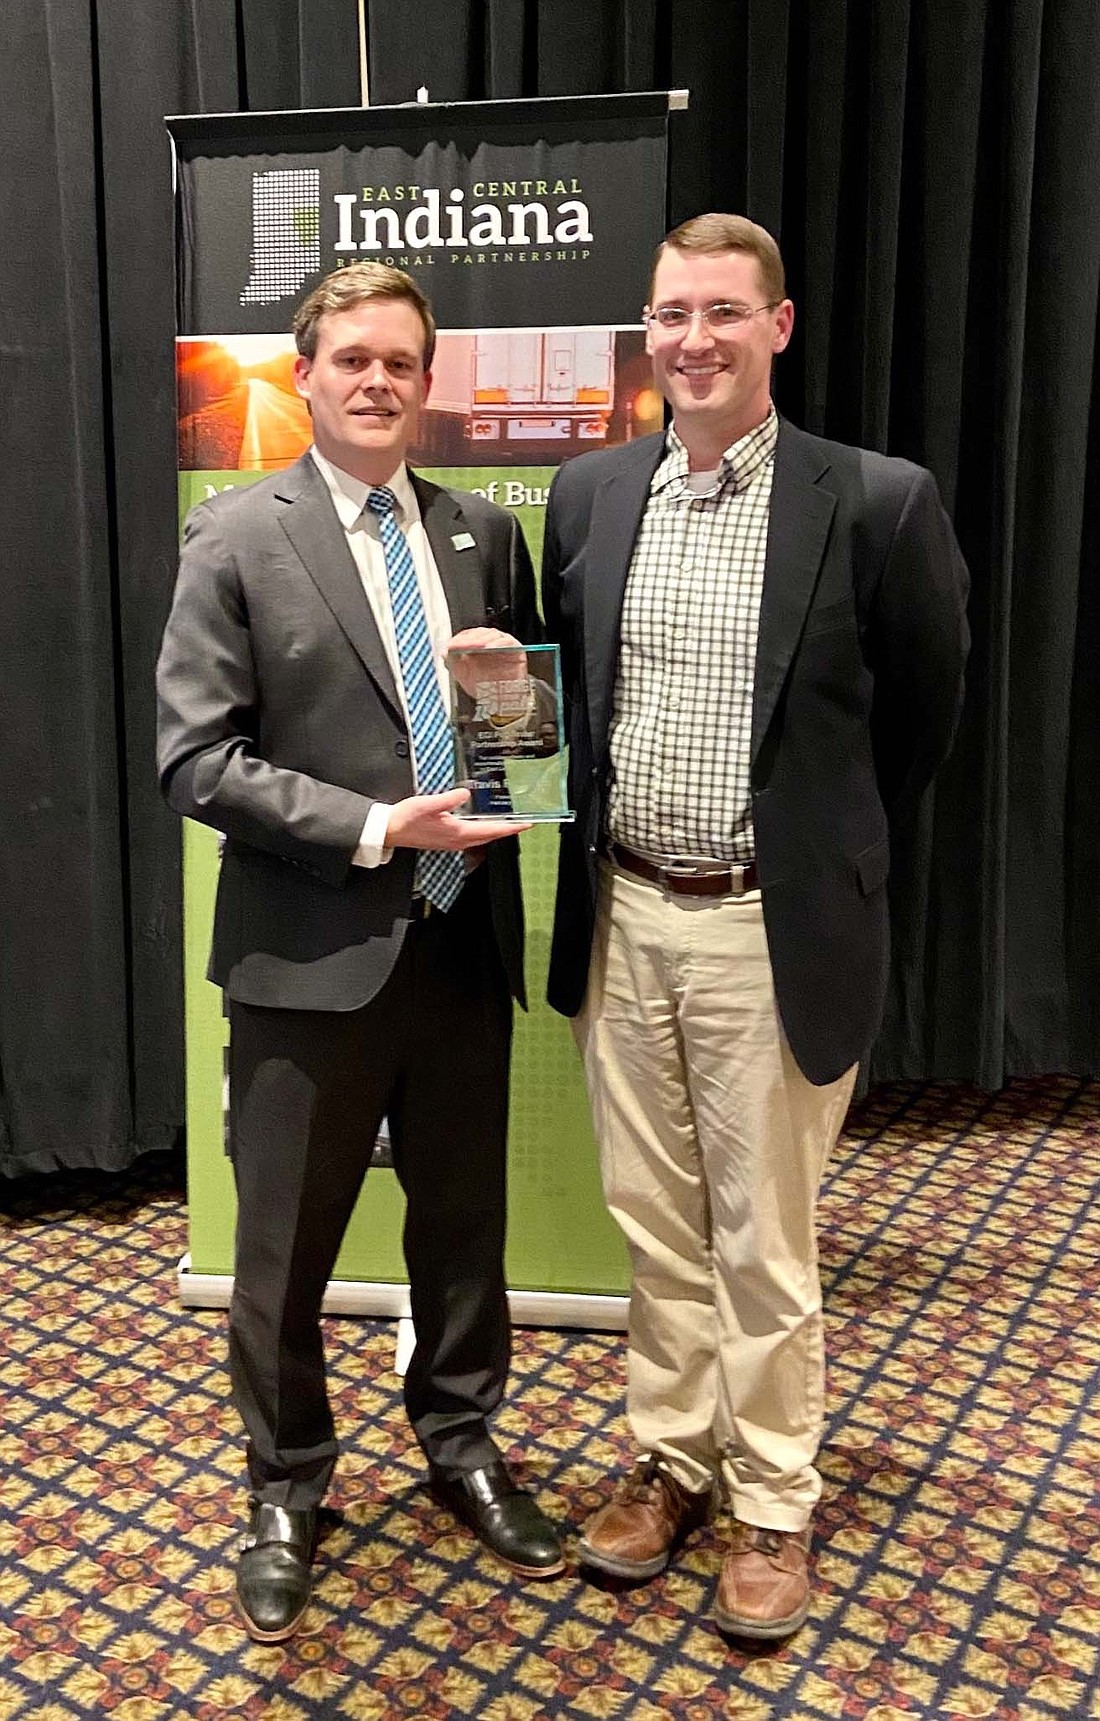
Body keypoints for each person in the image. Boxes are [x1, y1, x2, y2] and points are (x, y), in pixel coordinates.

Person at [541, 214, 969, 1640]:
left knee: (764, 1244)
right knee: (654, 1230)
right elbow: (578, 711)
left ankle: (772, 1500)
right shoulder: (593, 494)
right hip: (624, 910)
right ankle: (671, 1461)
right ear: (646, 331)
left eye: (725, 312)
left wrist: (815, 853)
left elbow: (917, 719)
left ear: (777, 327)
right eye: (671, 314)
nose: (695, 340)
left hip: (764, 932)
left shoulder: (875, 501)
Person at [157, 262, 564, 1645]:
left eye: (402, 359)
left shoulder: (475, 534)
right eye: (352, 359)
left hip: (460, 952)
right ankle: (285, 1486)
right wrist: (382, 824)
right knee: (281, 1259)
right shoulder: (233, 536)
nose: (379, 380)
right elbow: (194, 759)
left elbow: (517, 746)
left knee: (466, 1234)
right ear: (309, 374)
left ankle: (463, 1444)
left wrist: (519, 724)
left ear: (428, 379)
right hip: (306, 963)